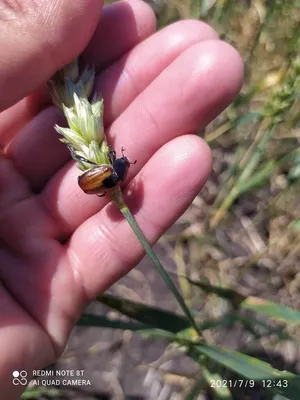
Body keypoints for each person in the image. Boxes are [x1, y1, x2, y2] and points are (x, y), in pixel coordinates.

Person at [0, 0, 243, 397]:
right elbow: (105, 174)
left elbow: (106, 174)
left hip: (91, 179)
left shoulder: (111, 175)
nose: (122, 161)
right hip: (91, 180)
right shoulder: (110, 176)